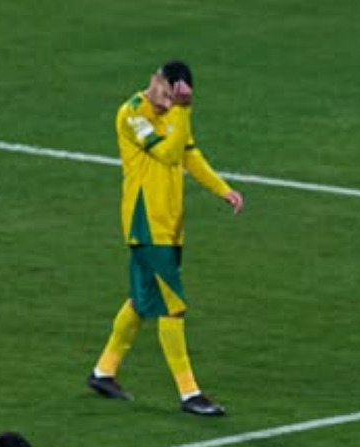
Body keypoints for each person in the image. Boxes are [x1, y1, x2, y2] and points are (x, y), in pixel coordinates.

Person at [86, 60, 244, 418]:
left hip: (169, 226)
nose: (167, 100)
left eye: (176, 97)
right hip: (146, 224)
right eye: (166, 90)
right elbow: (168, 152)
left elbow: (189, 156)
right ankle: (190, 393)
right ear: (157, 81)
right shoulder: (132, 113)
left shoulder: (173, 113)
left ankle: (103, 371)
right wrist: (184, 112)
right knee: (173, 306)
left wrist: (223, 189)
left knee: (142, 303)